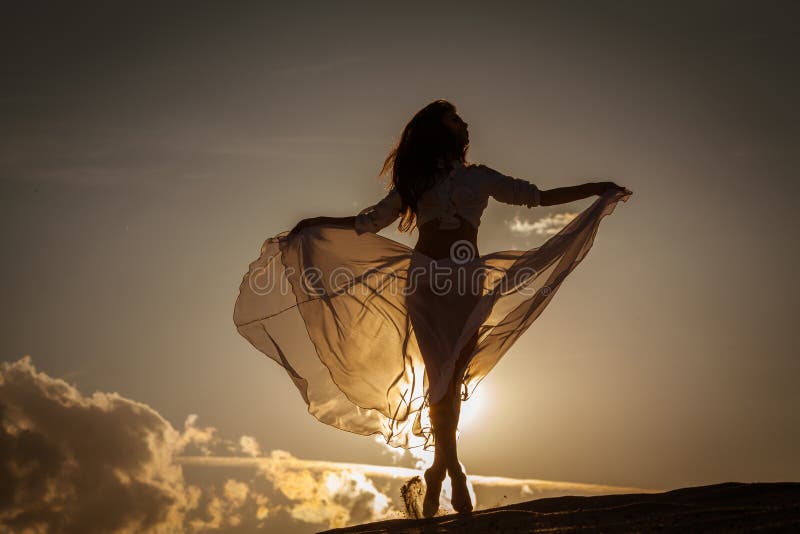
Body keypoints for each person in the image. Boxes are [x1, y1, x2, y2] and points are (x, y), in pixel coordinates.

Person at [233, 99, 632, 517]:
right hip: (424, 282)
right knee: (440, 377)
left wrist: (596, 190)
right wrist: (315, 222)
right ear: (441, 131)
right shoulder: (417, 182)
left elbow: (538, 197)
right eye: (456, 119)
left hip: (466, 282)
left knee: (452, 374)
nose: (466, 124)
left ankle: (443, 467)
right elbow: (369, 222)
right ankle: (453, 468)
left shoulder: (481, 177)